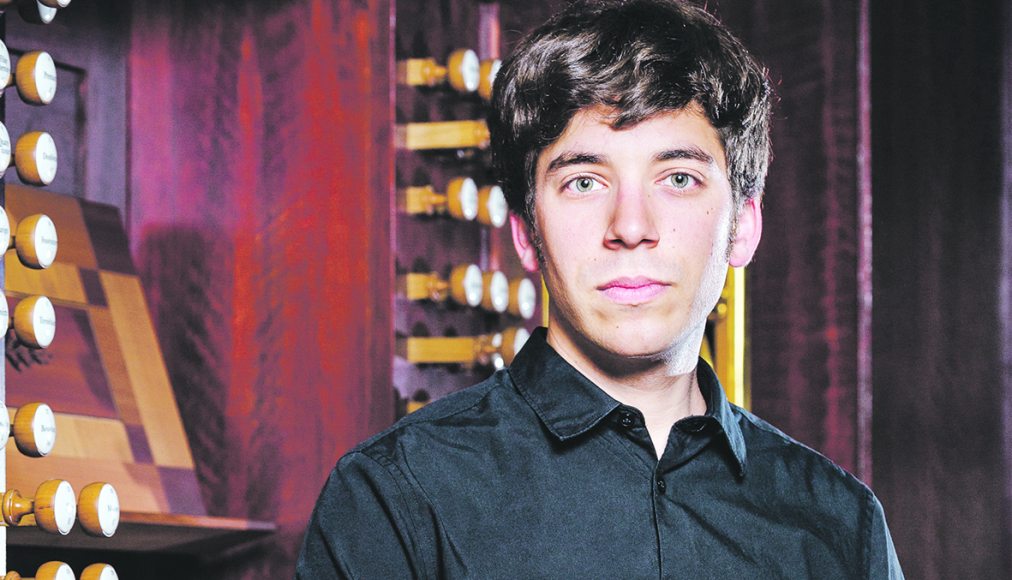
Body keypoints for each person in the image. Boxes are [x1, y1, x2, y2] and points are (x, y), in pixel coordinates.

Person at [297, 0, 904, 577]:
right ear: (527, 235)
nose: (631, 227)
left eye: (679, 178)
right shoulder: (390, 500)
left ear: (742, 227)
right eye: (585, 182)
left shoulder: (841, 525)